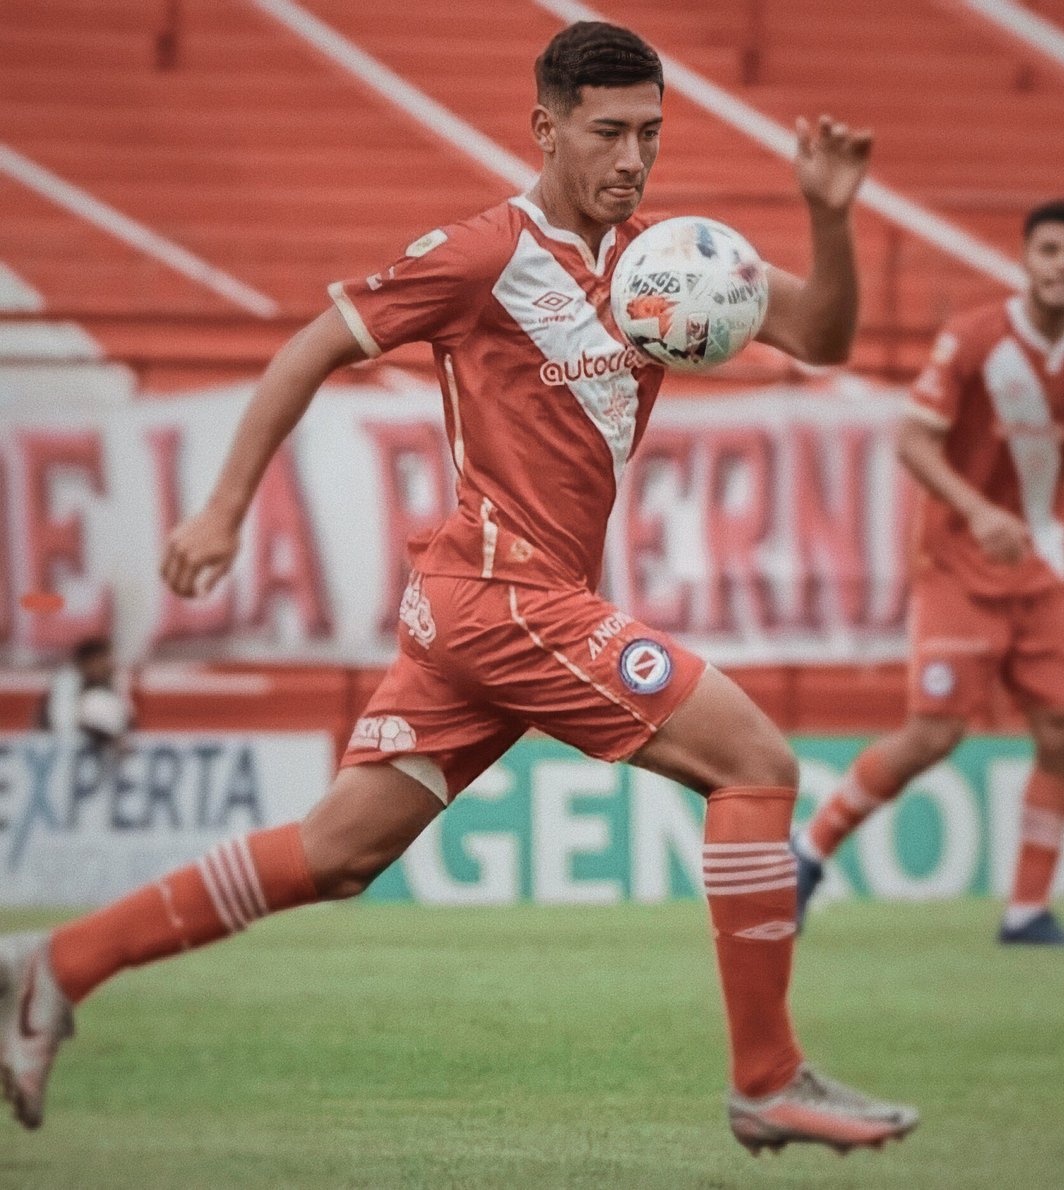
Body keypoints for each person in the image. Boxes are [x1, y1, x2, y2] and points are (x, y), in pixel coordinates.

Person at [0, 21, 917, 1153]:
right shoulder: (484, 254)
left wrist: (830, 215)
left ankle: (53, 965)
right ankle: (767, 1077)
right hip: (505, 596)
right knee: (757, 762)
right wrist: (225, 505)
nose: (633, 160)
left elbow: (823, 336)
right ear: (544, 127)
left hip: (487, 610)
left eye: (652, 134)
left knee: (336, 850)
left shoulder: (667, 262)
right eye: (610, 133)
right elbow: (309, 350)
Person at [792, 200, 1064, 948]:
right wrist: (979, 512)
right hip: (959, 567)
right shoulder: (975, 339)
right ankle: (808, 853)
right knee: (934, 733)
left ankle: (1027, 911)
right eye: (1051, 251)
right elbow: (912, 441)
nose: (1063, 265)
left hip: (1041, 569)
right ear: (1026, 260)